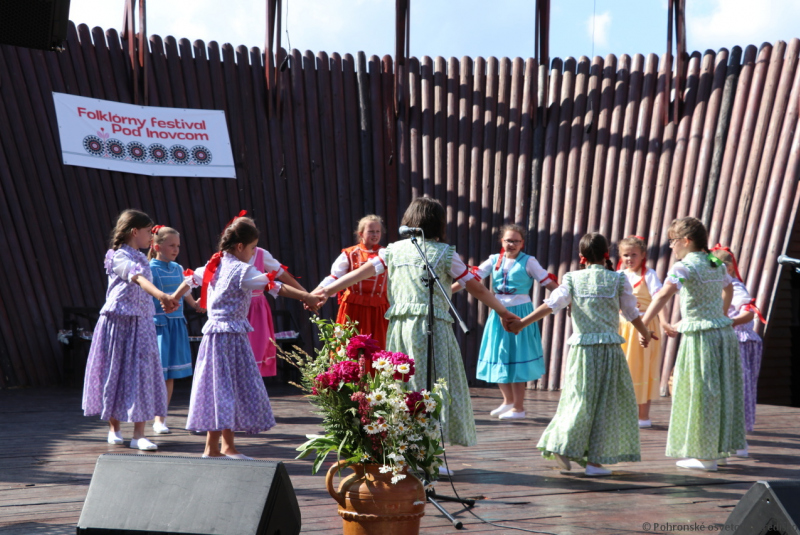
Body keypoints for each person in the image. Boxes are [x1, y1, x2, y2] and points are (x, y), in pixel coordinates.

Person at [312, 197, 519, 460]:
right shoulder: (445, 253)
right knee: (435, 388)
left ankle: (414, 454)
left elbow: (360, 273)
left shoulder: (393, 250)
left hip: (401, 328)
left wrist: (327, 290)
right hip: (434, 327)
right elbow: (474, 286)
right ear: (438, 224)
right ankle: (429, 455)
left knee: (406, 387)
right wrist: (503, 312)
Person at [174, 216, 322, 458]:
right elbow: (274, 286)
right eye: (253, 248)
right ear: (240, 246)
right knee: (226, 389)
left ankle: (219, 447)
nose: (255, 253)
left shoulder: (216, 263)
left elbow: (191, 279)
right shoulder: (242, 271)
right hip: (230, 338)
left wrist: (173, 297)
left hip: (214, 337)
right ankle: (219, 447)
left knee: (220, 390)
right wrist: (305, 297)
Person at [508, 232, 651, 477]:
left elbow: (552, 304)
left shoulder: (572, 279)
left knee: (578, 399)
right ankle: (593, 462)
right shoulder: (618, 280)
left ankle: (565, 446)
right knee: (606, 404)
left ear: (582, 257)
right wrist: (645, 333)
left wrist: (523, 322)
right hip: (609, 352)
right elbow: (630, 312)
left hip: (583, 351)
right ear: (607, 254)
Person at [640, 217, 746, 471]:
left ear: (685, 241)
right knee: (721, 390)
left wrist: (642, 323)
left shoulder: (684, 267)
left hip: (701, 337)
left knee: (701, 392)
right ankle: (719, 451)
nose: (671, 247)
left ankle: (705, 457)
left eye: (672, 242)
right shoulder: (714, 263)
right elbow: (729, 288)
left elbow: (663, 294)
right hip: (721, 333)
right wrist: (720, 314)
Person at [82, 209, 177, 451]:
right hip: (119, 321)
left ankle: (139, 434)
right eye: (147, 232)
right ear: (135, 232)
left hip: (142, 322)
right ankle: (114, 427)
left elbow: (143, 274)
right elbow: (136, 278)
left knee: (142, 374)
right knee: (115, 370)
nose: (150, 237)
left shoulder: (141, 256)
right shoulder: (117, 256)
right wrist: (160, 295)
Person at [454, 224, 558, 420]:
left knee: (517, 357)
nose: (512, 244)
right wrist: (444, 292)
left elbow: (548, 282)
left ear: (522, 243)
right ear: (502, 241)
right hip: (498, 311)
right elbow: (469, 279)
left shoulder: (529, 261)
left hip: (520, 312)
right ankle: (507, 401)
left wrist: (565, 297)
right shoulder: (494, 260)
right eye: (508, 240)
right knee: (499, 354)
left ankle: (519, 408)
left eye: (516, 241)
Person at [148, 225, 204, 435]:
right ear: (156, 246)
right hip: (159, 326)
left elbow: (185, 291)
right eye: (171, 245)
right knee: (157, 374)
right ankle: (147, 415)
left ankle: (160, 418)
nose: (175, 249)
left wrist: (196, 304)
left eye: (178, 245)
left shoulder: (178, 268)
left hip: (176, 324)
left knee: (169, 375)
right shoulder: (149, 268)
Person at [711, 244, 764, 457]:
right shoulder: (715, 288)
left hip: (738, 342)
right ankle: (725, 436)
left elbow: (749, 313)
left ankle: (739, 439)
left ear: (730, 270)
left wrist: (727, 322)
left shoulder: (736, 287)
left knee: (738, 388)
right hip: (723, 341)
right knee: (723, 389)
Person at [616, 235, 675, 428]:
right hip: (622, 326)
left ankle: (643, 416)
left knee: (642, 368)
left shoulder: (649, 275)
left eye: (634, 254)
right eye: (625, 255)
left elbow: (661, 299)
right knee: (622, 367)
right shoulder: (618, 275)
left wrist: (665, 323)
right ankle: (622, 412)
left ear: (643, 255)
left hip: (644, 325)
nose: (629, 258)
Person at [315, 215, 389, 348]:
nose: (375, 234)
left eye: (378, 231)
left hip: (379, 307)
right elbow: (334, 277)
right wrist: (314, 294)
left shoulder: (386, 253)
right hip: (354, 306)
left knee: (379, 344)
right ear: (361, 234)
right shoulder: (350, 253)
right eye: (371, 231)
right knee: (350, 344)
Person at [245, 234, 307, 377]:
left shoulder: (260, 254)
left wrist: (303, 293)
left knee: (257, 349)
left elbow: (279, 276)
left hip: (256, 309)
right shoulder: (224, 258)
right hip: (236, 310)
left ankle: (254, 388)